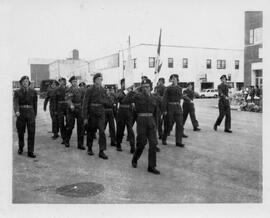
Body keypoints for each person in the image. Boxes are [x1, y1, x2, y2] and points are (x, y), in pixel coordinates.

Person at [124, 78, 160, 174]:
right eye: (143, 87)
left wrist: (156, 125)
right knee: (141, 144)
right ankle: (135, 159)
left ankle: (151, 166)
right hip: (141, 122)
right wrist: (134, 90)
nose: (145, 89)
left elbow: (156, 113)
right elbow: (125, 100)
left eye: (147, 87)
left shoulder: (154, 97)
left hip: (151, 122)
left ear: (150, 87)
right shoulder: (138, 96)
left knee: (153, 144)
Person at [82, 73, 109, 159]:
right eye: (98, 79)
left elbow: (107, 102)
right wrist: (85, 117)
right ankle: (89, 148)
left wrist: (108, 97)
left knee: (102, 131)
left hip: (101, 113)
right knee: (91, 131)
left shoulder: (103, 90)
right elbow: (85, 104)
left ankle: (102, 151)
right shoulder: (90, 89)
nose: (100, 81)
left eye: (101, 79)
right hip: (92, 112)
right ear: (94, 80)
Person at [13, 76, 38, 158]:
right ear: (21, 83)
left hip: (30, 113)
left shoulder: (33, 92)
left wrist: (35, 114)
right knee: (21, 132)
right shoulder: (17, 92)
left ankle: (30, 151)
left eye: (27, 81)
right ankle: (21, 147)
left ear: (29, 83)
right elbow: (15, 103)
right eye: (24, 81)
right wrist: (17, 111)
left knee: (31, 132)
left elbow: (35, 104)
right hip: (21, 113)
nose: (25, 83)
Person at [162, 74, 185, 147]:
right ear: (171, 80)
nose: (174, 79)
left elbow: (180, 97)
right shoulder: (168, 88)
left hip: (178, 107)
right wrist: (164, 110)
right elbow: (164, 99)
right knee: (168, 124)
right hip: (170, 107)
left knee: (180, 125)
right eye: (173, 78)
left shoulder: (179, 88)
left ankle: (178, 141)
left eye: (175, 78)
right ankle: (164, 138)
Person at [64, 76, 85, 150]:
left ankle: (80, 144)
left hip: (79, 109)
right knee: (70, 126)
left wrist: (83, 107)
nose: (75, 83)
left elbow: (83, 99)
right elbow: (68, 99)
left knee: (81, 127)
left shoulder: (81, 90)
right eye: (73, 82)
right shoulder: (69, 90)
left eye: (76, 82)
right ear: (71, 83)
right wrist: (71, 106)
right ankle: (67, 141)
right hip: (71, 110)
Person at [115, 78, 135, 153]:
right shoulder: (120, 91)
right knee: (120, 129)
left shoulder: (131, 91)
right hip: (121, 111)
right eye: (124, 83)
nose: (126, 85)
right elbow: (118, 97)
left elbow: (134, 99)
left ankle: (132, 146)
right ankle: (118, 144)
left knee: (130, 129)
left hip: (129, 112)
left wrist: (131, 92)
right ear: (122, 84)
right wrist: (126, 92)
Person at [54, 77, 68, 144]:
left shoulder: (68, 89)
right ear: (59, 82)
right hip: (60, 108)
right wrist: (55, 110)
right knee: (61, 123)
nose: (62, 82)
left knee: (69, 123)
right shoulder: (57, 90)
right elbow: (55, 101)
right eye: (60, 81)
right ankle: (64, 138)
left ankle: (66, 134)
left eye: (63, 81)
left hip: (67, 107)